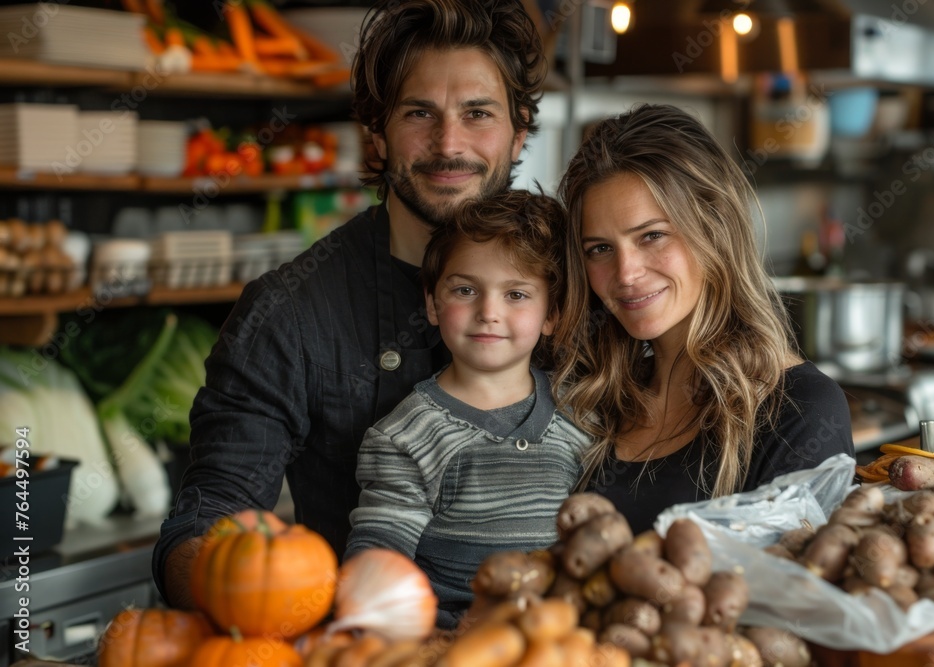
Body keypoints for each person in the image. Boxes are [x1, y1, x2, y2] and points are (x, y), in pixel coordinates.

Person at [152, 0, 546, 608]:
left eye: (478, 114)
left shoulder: (577, 282)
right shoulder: (290, 310)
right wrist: (243, 586)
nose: (449, 143)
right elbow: (210, 513)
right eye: (420, 112)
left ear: (518, 130)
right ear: (377, 133)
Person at [553, 104, 855, 533]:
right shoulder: (592, 395)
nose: (626, 274)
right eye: (600, 249)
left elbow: (792, 591)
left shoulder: (799, 411)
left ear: (714, 228)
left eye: (651, 236)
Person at [345, 190, 589, 628]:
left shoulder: (578, 413)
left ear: (551, 314)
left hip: (558, 638)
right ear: (433, 304)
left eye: (516, 294)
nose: (488, 312)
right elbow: (380, 554)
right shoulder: (405, 436)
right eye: (465, 289)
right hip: (451, 639)